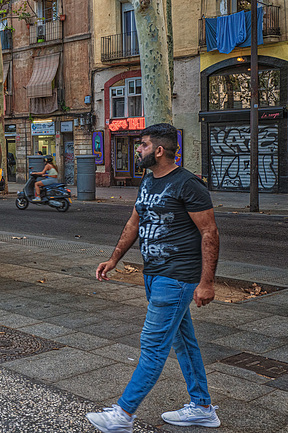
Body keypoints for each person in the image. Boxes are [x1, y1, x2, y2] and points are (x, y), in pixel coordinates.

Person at [86, 123, 220, 433]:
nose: (138, 149)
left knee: (153, 345)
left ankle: (123, 414)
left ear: (159, 150)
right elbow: (134, 223)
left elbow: (209, 232)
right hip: (154, 275)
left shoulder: (188, 184)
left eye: (143, 145)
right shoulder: (148, 181)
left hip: (176, 277)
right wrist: (114, 258)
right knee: (183, 342)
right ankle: (202, 407)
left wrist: (207, 282)